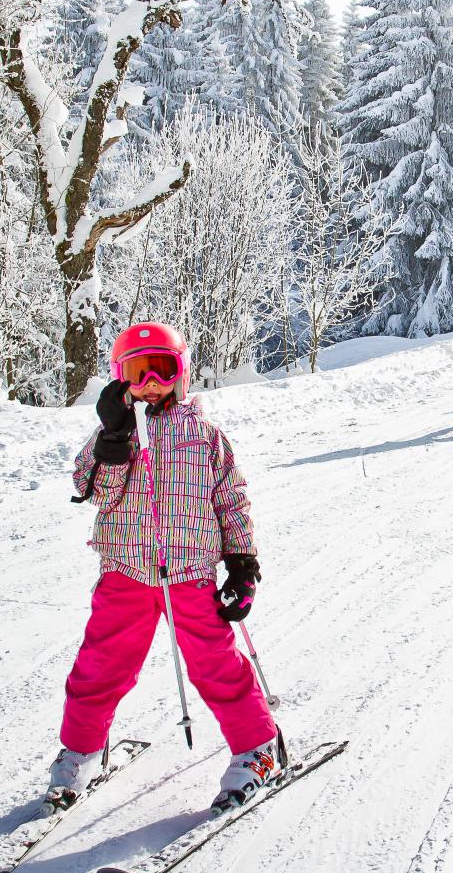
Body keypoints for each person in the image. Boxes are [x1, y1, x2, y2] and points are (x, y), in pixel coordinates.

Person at [56, 322, 283, 811]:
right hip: (126, 571)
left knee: (216, 665)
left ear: (181, 373)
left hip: (189, 573)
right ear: (121, 381)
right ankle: (83, 750)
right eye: (139, 372)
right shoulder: (113, 435)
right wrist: (114, 442)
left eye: (163, 368)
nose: (152, 381)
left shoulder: (205, 437)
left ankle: (258, 748)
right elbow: (92, 491)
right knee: (100, 665)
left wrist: (242, 566)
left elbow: (232, 502)